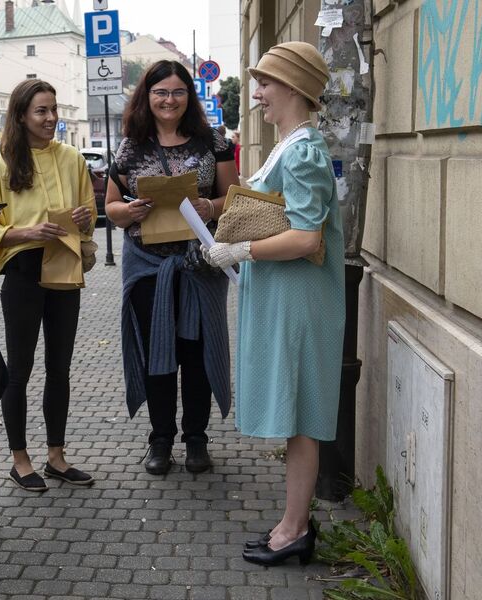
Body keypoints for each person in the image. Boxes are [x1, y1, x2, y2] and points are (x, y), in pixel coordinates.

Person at [203, 41, 345, 566]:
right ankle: (293, 522)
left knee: (302, 413)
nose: (257, 93)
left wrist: (242, 248)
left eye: (265, 83)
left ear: (292, 87)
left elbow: (308, 237)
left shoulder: (303, 149)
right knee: (294, 413)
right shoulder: (289, 145)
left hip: (300, 302)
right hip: (286, 298)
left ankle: (295, 529)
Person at [104, 60, 239, 476]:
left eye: (178, 92)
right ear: (147, 96)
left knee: (195, 354)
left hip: (200, 267)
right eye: (160, 92)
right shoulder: (131, 146)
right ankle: (160, 440)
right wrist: (130, 209)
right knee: (157, 355)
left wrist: (210, 206)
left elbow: (234, 196)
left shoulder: (212, 140)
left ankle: (196, 439)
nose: (169, 99)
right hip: (148, 268)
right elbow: (109, 208)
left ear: (189, 96)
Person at [0, 79, 96, 492]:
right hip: (24, 272)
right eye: (41, 111)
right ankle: (20, 459)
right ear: (22, 116)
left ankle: (57, 457)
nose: (51, 118)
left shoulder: (72, 158)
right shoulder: (1, 165)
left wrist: (85, 224)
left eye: (54, 109)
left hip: (64, 267)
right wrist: (25, 233)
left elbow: (89, 212)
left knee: (59, 368)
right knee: (19, 371)